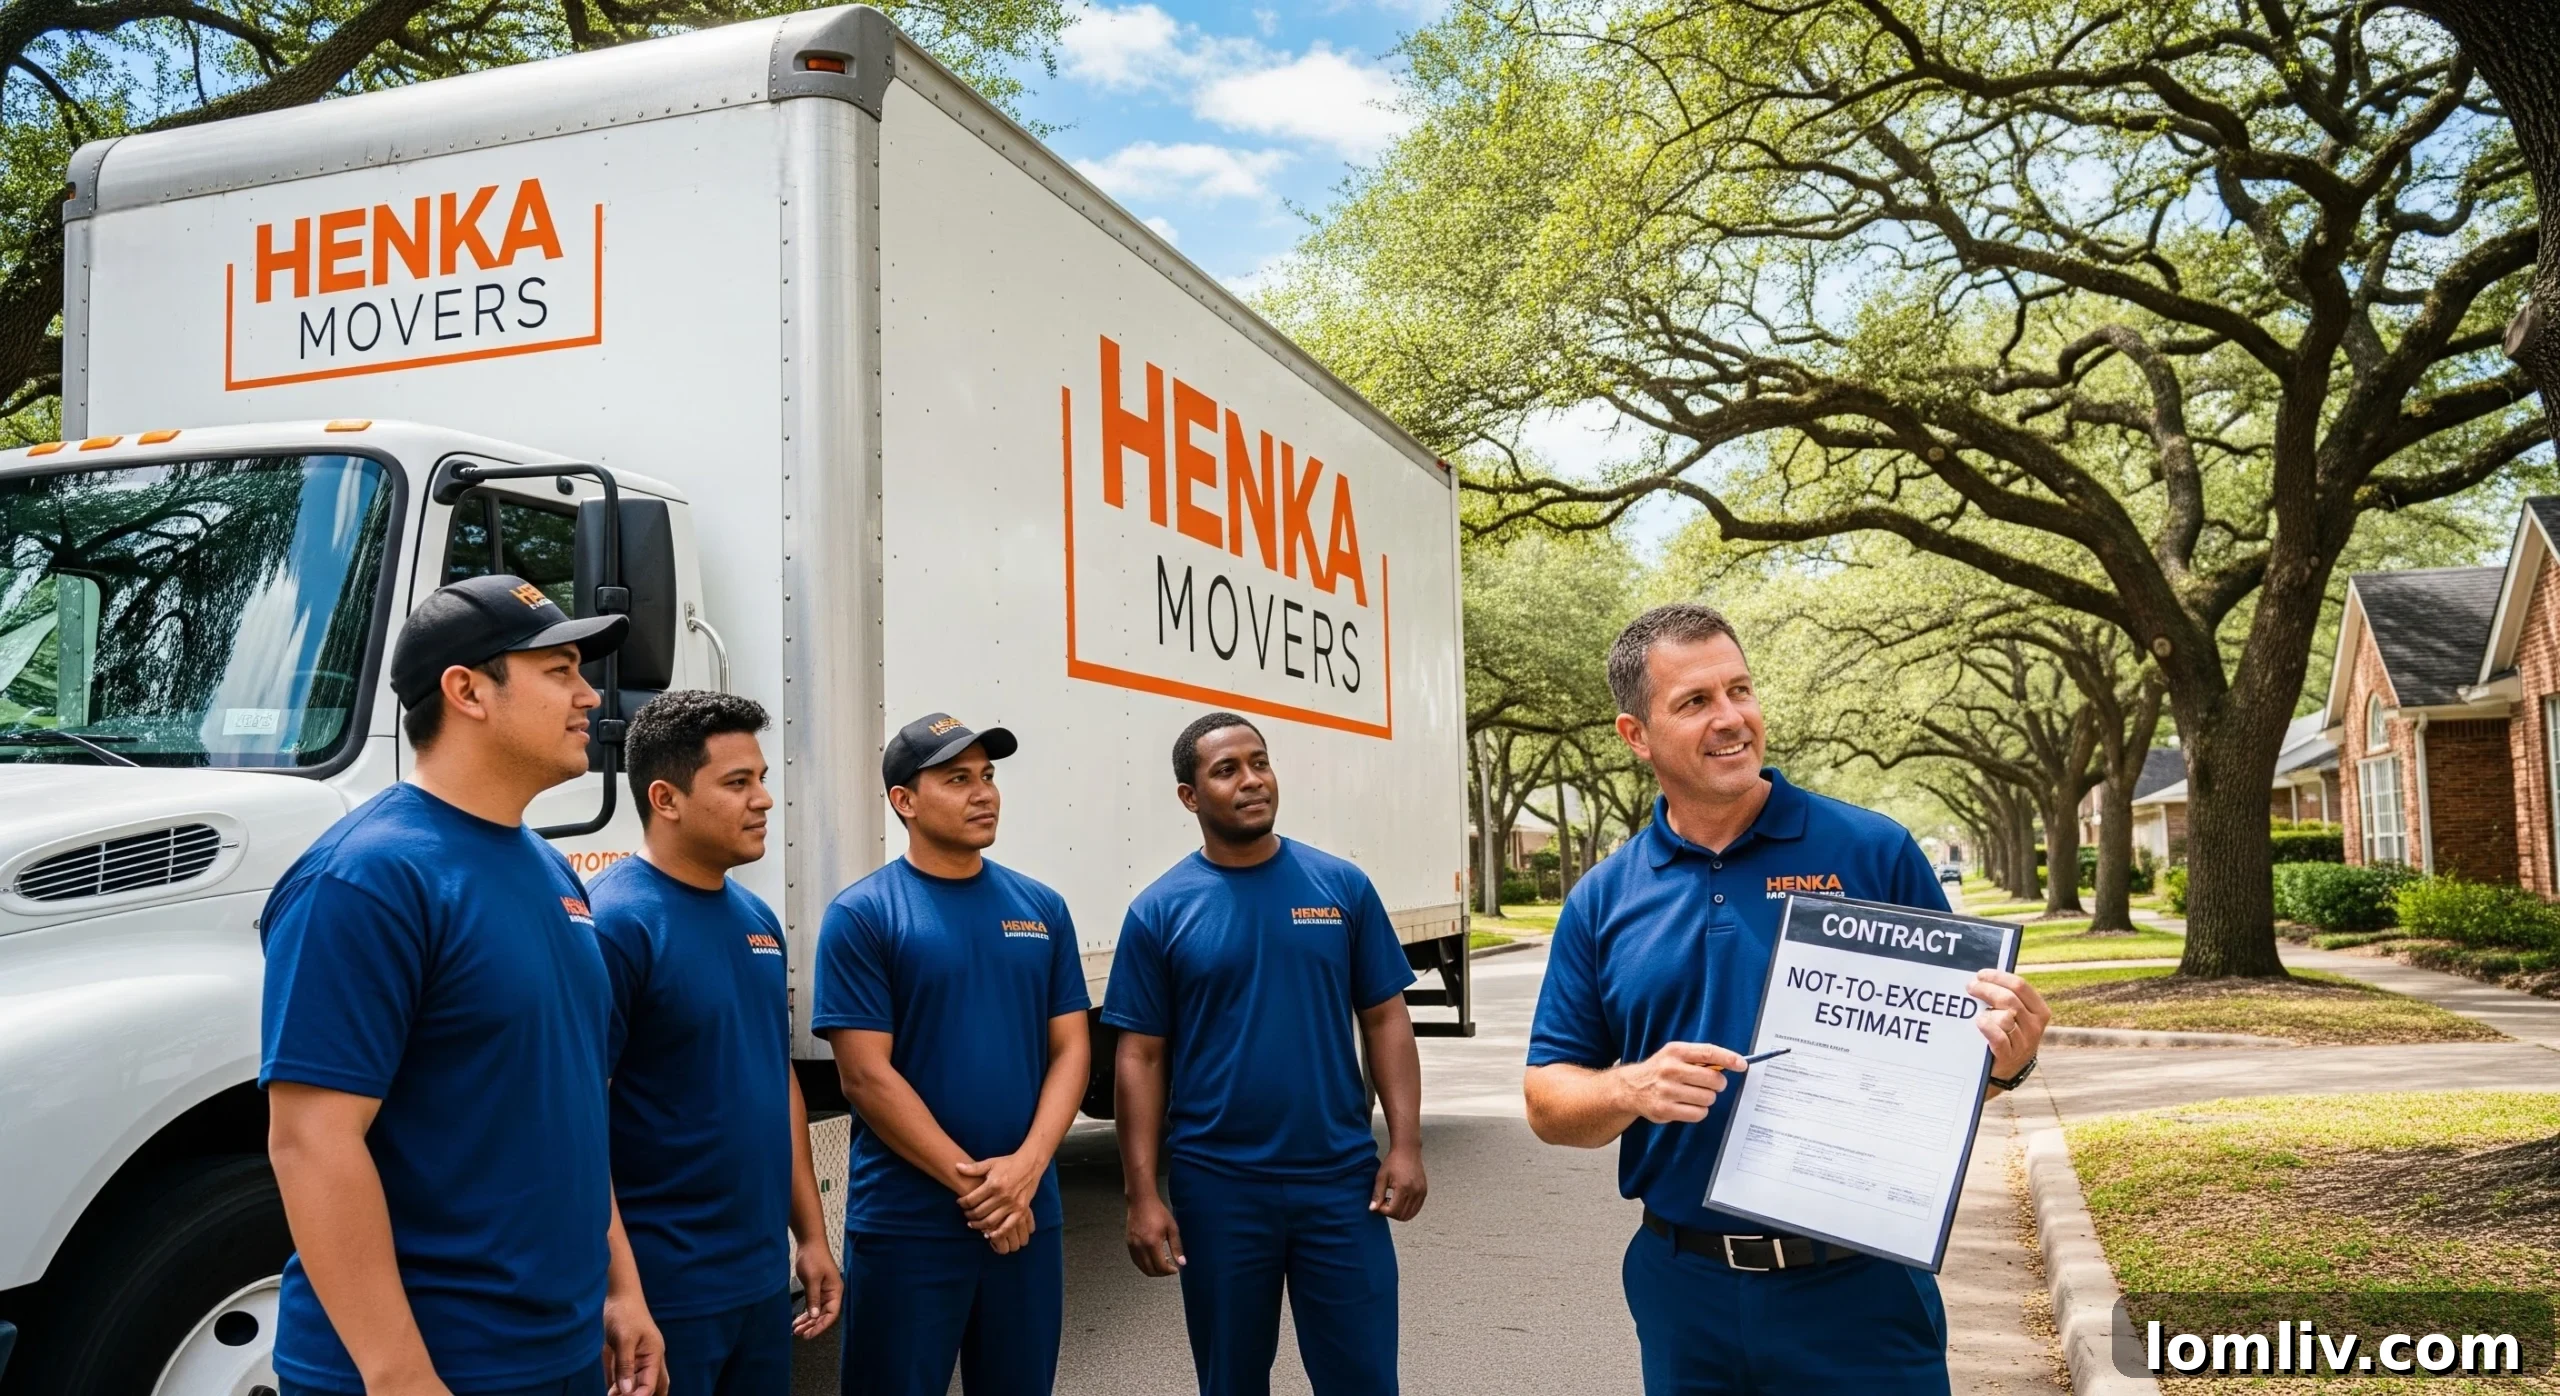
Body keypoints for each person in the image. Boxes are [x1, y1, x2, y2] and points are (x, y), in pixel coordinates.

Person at [1523, 603, 2052, 1396]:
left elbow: (1954, 1060)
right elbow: (1547, 1097)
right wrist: (1629, 1087)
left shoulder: (1872, 852)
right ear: (1636, 736)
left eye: (1740, 689)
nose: (1731, 718)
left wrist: (2010, 1062)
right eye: (1695, 701)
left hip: (1860, 1288)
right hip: (1685, 1289)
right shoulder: (1602, 899)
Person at [258, 573, 663, 1396]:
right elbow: (310, 1142)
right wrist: (398, 1372)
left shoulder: (552, 870)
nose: (590, 696)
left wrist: (620, 1287)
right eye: (560, 672)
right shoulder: (366, 878)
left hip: (559, 1352)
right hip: (430, 1366)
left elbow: (573, 1103)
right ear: (467, 690)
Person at [1107, 712, 1426, 1396]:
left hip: (1340, 1181)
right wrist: (1141, 1193)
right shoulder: (1159, 910)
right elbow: (1140, 1058)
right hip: (1218, 1187)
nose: (1252, 780)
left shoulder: (1339, 887)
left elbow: (1385, 1017)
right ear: (1190, 797)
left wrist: (1405, 1145)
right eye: (1227, 770)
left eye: (1260, 761)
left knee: (1365, 1378)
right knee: (1231, 1379)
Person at [812, 712, 1092, 1396]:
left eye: (989, 777)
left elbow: (1072, 1049)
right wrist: (982, 1190)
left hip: (1028, 1212)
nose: (984, 793)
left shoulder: (1042, 907)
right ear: (904, 801)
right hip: (910, 1223)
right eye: (958, 779)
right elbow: (865, 1077)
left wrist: (1026, 1171)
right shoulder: (865, 914)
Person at [586, 691, 844, 1396]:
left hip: (759, 1281)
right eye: (738, 783)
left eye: (761, 778)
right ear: (665, 798)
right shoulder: (615, 923)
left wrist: (812, 1238)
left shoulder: (757, 919)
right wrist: (620, 1292)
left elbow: (776, 1081)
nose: (763, 800)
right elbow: (575, 1121)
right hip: (664, 1290)